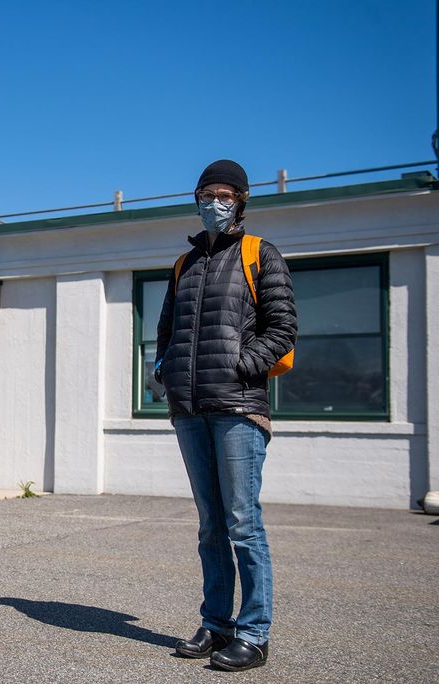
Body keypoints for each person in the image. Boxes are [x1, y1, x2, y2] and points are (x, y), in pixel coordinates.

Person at [154, 160, 297, 671]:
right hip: (189, 409)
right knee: (210, 526)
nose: (213, 201)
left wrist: (240, 367)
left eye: (223, 194)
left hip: (238, 408)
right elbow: (166, 330)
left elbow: (282, 329)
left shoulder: (261, 254)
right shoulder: (184, 264)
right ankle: (216, 625)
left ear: (239, 201)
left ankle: (255, 633)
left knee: (242, 523)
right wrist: (165, 370)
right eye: (204, 193)